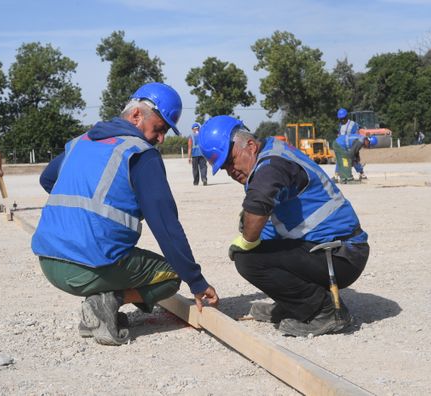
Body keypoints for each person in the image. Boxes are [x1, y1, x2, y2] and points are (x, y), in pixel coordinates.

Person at [31, 82, 219, 346]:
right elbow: (166, 227)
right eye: (160, 128)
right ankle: (107, 301)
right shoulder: (141, 154)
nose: (161, 138)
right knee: (172, 275)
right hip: (88, 266)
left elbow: (48, 179)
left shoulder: (79, 142)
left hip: (49, 261)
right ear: (136, 116)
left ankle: (98, 307)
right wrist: (196, 281)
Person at [198, 115, 370, 337]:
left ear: (250, 145)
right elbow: (270, 223)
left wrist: (246, 242)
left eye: (230, 161)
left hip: (342, 256)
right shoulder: (267, 158)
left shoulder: (271, 165)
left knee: (248, 260)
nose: (230, 171)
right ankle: (295, 304)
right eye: (224, 168)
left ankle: (324, 311)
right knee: (252, 238)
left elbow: (258, 207)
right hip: (331, 250)